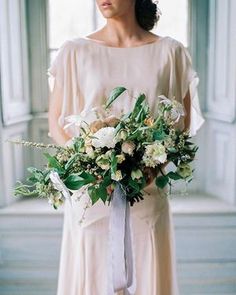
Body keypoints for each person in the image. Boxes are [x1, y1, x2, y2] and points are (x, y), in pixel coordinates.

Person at [47, 0, 205, 294]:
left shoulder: (170, 52)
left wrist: (151, 164)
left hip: (147, 187)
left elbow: (180, 125)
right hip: (92, 194)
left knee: (147, 266)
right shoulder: (74, 51)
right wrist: (90, 164)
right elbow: (56, 123)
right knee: (92, 272)